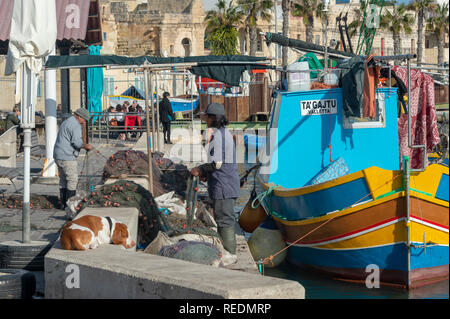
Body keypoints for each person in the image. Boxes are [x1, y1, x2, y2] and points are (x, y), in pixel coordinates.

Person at [190, 103, 240, 256]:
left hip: (224, 187)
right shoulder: (223, 133)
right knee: (222, 219)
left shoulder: (219, 136)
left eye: (207, 117)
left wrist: (201, 169)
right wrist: (207, 172)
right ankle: (226, 252)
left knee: (225, 220)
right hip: (225, 184)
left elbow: (217, 164)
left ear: (213, 118)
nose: (206, 120)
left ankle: (230, 254)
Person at [53, 108, 93, 209]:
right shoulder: (75, 125)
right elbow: (77, 142)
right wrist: (86, 146)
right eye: (84, 120)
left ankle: (63, 203)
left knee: (63, 180)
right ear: (79, 116)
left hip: (58, 155)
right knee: (72, 180)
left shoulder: (66, 122)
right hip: (67, 156)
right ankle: (70, 205)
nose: (84, 122)